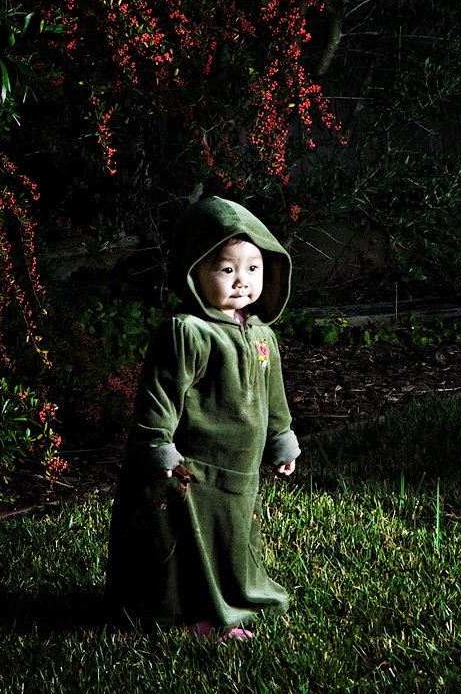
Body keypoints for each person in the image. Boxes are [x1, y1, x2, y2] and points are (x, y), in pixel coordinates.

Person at [105, 195, 301, 641]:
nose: (241, 281)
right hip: (191, 468)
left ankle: (232, 595)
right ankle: (194, 613)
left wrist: (281, 438)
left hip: (238, 469)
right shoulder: (187, 331)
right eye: (226, 269)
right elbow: (160, 395)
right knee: (187, 543)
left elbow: (273, 398)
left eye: (253, 269)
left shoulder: (262, 335)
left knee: (228, 539)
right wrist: (158, 445)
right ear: (195, 272)